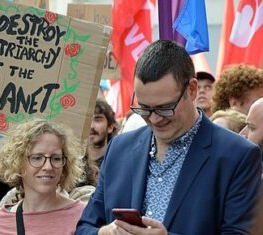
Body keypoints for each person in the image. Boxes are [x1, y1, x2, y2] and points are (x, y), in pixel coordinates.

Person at [76, 40, 262, 235]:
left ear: (191, 90)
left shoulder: (237, 156)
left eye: (165, 108)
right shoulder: (120, 148)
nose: (154, 118)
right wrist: (104, 233)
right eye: (145, 108)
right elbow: (84, 227)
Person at [0, 120, 85, 235]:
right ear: (18, 163)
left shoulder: (83, 216)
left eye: (56, 158)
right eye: (37, 158)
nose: (48, 166)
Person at [87, 99, 118, 168]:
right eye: (88, 120)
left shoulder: (118, 162)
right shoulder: (75, 162)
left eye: (98, 120)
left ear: (110, 127)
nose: (91, 126)